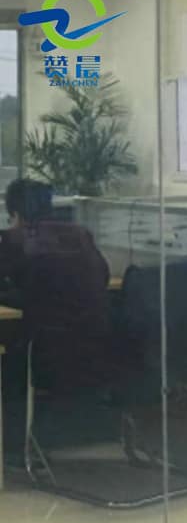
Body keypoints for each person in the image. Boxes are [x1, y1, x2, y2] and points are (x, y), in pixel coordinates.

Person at [0, 178, 111, 459]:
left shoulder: (15, 240)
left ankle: (12, 448)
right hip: (95, 346)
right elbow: (103, 276)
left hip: (45, 352)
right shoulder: (81, 235)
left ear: (14, 213)